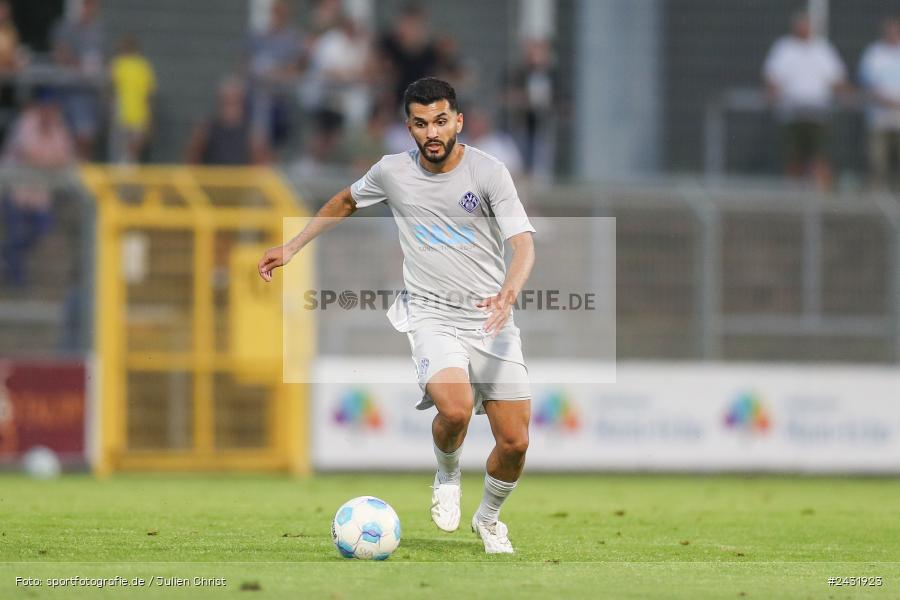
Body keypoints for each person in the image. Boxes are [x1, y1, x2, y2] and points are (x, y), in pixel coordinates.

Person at [258, 78, 535, 554]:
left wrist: (511, 288)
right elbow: (346, 201)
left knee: (515, 443)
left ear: (458, 122)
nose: (432, 131)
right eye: (421, 123)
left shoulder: (489, 173)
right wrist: (293, 245)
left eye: (441, 121)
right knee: (455, 408)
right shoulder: (391, 172)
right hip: (430, 313)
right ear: (408, 127)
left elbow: (523, 243)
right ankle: (447, 475)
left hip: (491, 318)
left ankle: (488, 519)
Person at [763, 11, 848, 191]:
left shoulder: (822, 49)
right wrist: (772, 91)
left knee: (819, 156)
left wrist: (843, 93)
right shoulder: (784, 48)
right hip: (792, 114)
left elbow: (837, 78)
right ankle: (793, 195)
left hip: (817, 114)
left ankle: (823, 197)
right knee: (794, 157)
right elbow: (772, 77)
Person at [1, 90, 75, 287]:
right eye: (46, 108)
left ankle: (7, 257)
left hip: (40, 195)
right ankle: (16, 283)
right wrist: (50, 161)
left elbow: (65, 157)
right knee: (16, 233)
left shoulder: (58, 127)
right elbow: (29, 152)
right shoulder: (27, 121)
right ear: (39, 108)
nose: (49, 112)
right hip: (16, 191)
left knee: (43, 231)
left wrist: (47, 161)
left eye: (53, 109)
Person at [246, 0, 304, 149]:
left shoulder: (293, 38)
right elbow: (248, 65)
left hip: (283, 95)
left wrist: (273, 73)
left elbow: (295, 69)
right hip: (261, 94)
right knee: (260, 106)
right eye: (275, 12)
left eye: (281, 12)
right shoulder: (260, 36)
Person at [52, 0, 105, 159]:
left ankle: (84, 174)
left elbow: (102, 58)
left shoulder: (98, 30)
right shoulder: (66, 28)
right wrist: (77, 63)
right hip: (72, 91)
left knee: (87, 137)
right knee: (70, 137)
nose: (89, 9)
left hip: (90, 92)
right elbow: (60, 54)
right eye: (86, 5)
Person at [185, 77, 268, 165]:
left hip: (242, 177)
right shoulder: (206, 128)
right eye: (227, 100)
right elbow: (192, 157)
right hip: (212, 177)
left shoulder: (252, 131)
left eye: (235, 100)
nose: (230, 105)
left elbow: (260, 162)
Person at [859, 17, 900, 190]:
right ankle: (877, 199)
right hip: (879, 117)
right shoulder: (874, 53)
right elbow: (867, 83)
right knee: (878, 163)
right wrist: (887, 101)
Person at [109, 34, 156, 164]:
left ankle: (127, 181)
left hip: (132, 116)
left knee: (128, 153)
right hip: (127, 115)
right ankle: (125, 180)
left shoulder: (122, 65)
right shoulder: (139, 66)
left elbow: (148, 95)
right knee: (126, 153)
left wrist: (149, 120)